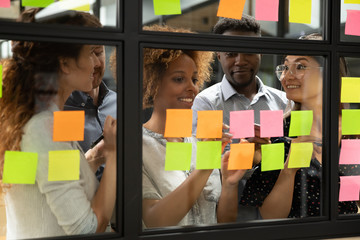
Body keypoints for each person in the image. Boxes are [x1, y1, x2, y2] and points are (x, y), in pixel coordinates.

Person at [0, 8, 117, 239]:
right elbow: (88, 228)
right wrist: (114, 155)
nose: (96, 62)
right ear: (64, 63)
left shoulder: (31, 121)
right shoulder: (45, 127)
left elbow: (36, 190)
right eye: (89, 53)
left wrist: (93, 158)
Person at [240, 33, 359, 219]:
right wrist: (290, 169)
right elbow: (269, 216)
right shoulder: (276, 131)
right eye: (285, 67)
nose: (286, 76)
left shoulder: (353, 129)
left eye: (300, 67)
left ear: (328, 71)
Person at [142, 25, 246, 228]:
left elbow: (224, 221)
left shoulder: (200, 142)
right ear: (150, 83)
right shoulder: (135, 147)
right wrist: (205, 167)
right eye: (179, 79)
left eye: (195, 79)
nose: (192, 87)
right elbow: (155, 221)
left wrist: (230, 184)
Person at [191, 16, 288, 220]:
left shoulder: (282, 102)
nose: (240, 61)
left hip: (276, 212)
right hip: (226, 213)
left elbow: (290, 159)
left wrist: (265, 155)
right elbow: (201, 165)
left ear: (260, 52)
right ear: (219, 56)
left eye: (249, 52)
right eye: (231, 54)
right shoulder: (207, 104)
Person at [64, 13, 116, 180]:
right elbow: (62, 182)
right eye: (88, 53)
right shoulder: (58, 111)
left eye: (99, 52)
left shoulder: (120, 103)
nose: (97, 63)